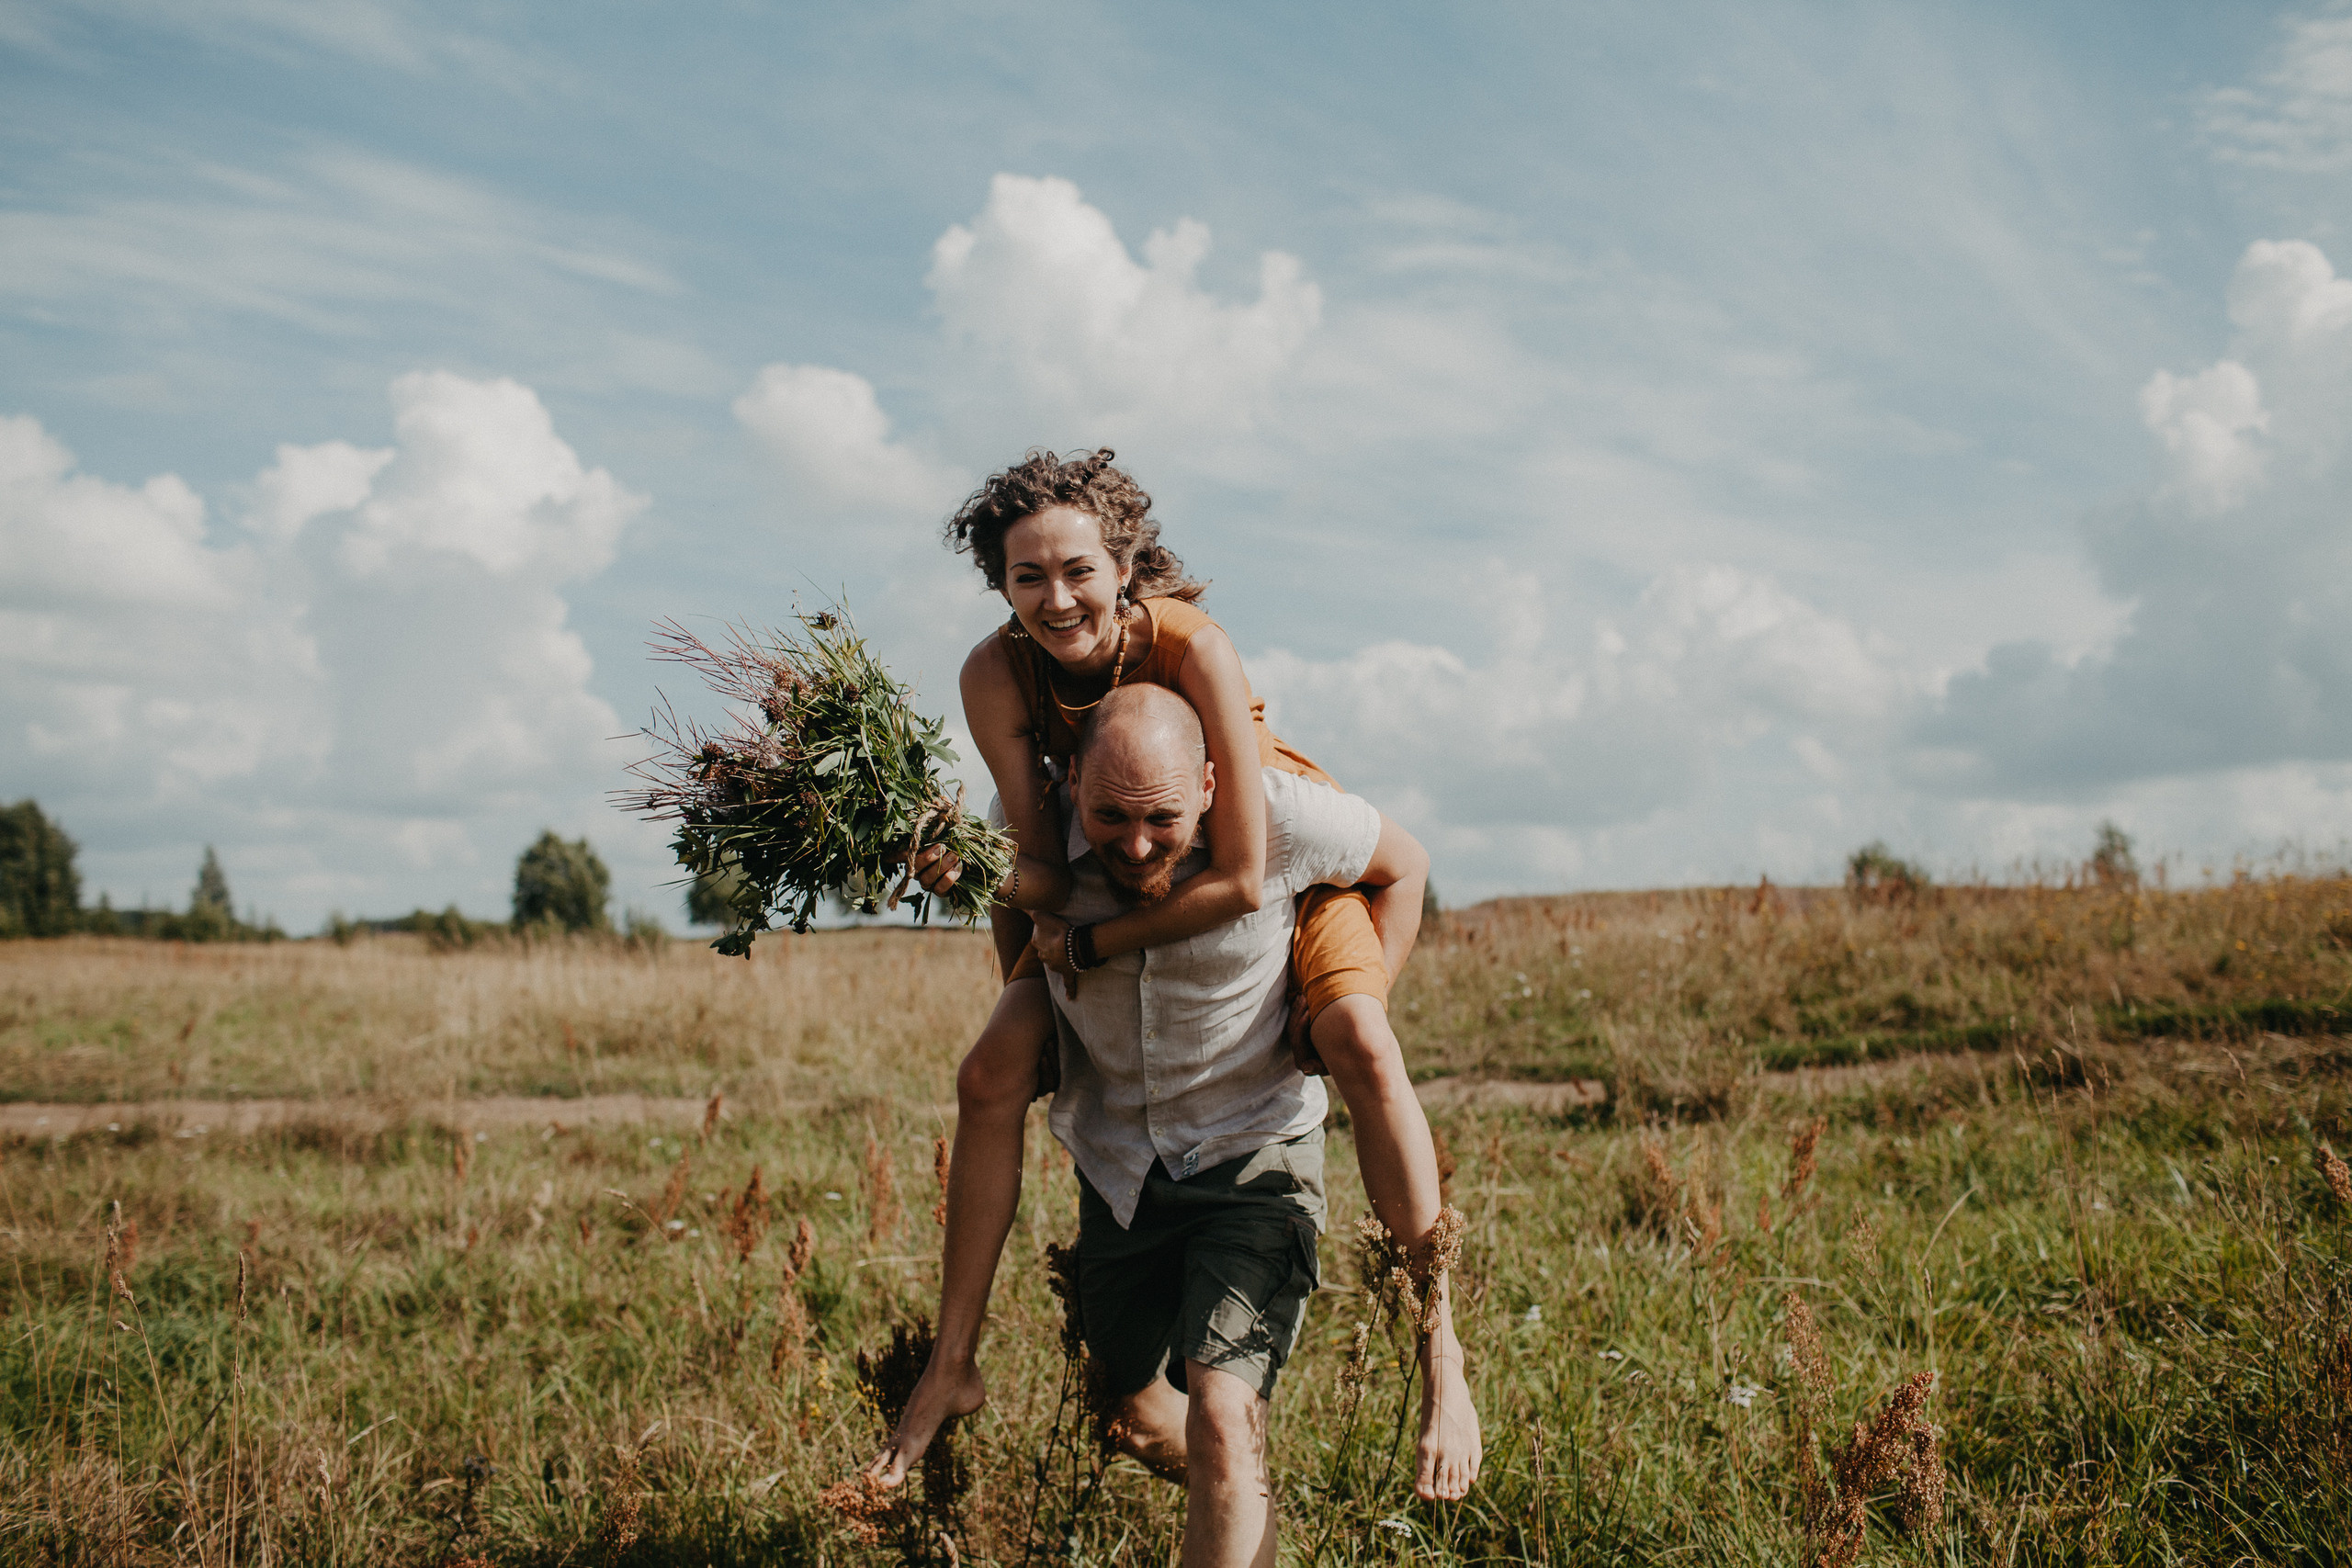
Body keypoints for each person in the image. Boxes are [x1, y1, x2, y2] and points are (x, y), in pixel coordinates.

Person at [868, 450, 1476, 1504]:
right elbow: (1042, 869)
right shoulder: (993, 674)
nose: (1056, 600)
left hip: (1250, 837)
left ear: (1126, 564)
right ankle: (956, 1366)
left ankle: (1445, 1361)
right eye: (1026, 579)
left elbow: (1242, 872)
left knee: (1362, 1044)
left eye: (1078, 571)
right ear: (1000, 585)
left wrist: (1324, 1006)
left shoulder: (1193, 648)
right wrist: (963, 869)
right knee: (988, 1073)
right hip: (1102, 856)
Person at [899, 684, 1467, 1563]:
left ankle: (1242, 1467)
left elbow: (1407, 865)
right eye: (1110, 816)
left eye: (1162, 817)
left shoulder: (1279, 816)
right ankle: (1238, 1488)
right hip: (1120, 1167)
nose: (1133, 844)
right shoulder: (1037, 828)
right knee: (1130, 1412)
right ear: (1074, 780)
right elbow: (1011, 910)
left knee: (1224, 1417)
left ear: (1210, 783)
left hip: (1255, 1155)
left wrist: (1338, 1006)